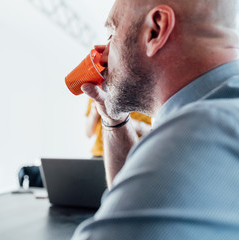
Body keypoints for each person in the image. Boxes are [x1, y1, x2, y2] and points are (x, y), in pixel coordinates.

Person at [72, 0, 239, 239]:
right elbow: (134, 197)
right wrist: (113, 118)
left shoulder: (194, 135)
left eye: (112, 32)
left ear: (155, 30)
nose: (103, 52)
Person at [85, 98, 151, 157]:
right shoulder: (98, 91)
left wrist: (137, 125)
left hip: (133, 155)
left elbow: (155, 132)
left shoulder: (145, 96)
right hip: (100, 154)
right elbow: (89, 133)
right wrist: (94, 113)